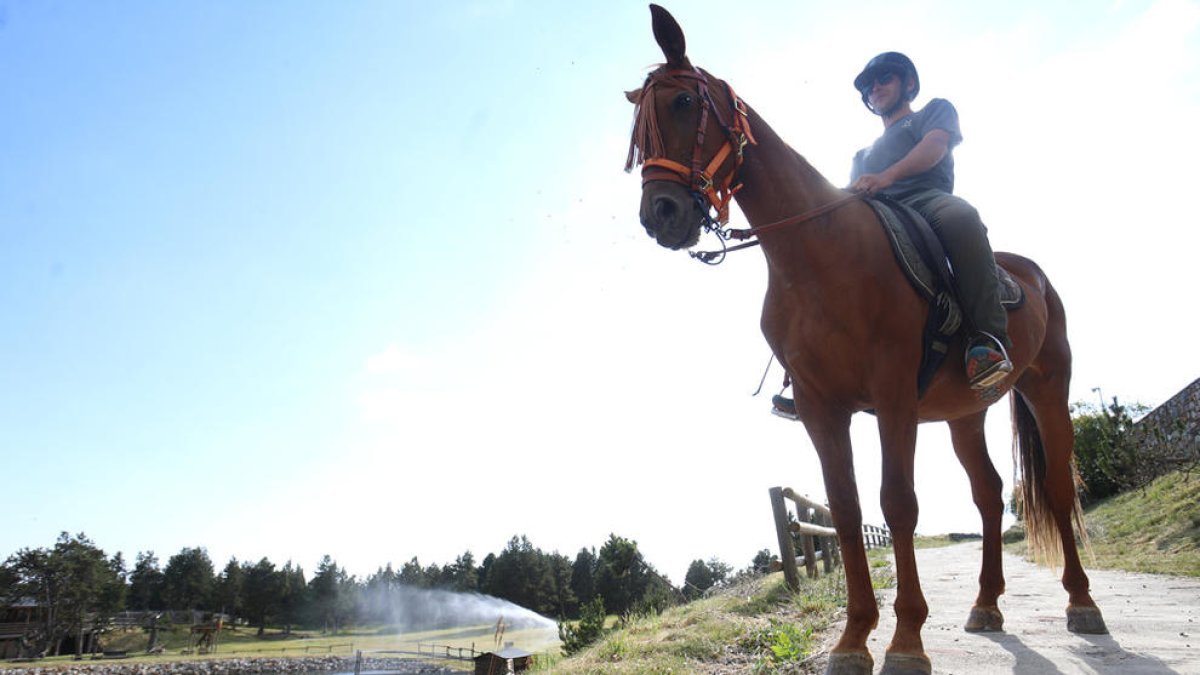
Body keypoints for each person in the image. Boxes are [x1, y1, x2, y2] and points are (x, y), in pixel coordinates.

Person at [773, 52, 1011, 417]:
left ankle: (988, 340)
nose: (876, 87)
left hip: (925, 202)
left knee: (963, 217)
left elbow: (934, 149)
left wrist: (887, 177)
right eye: (869, 85)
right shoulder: (861, 153)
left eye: (884, 78)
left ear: (908, 84)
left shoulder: (933, 111)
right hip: (873, 213)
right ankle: (806, 369)